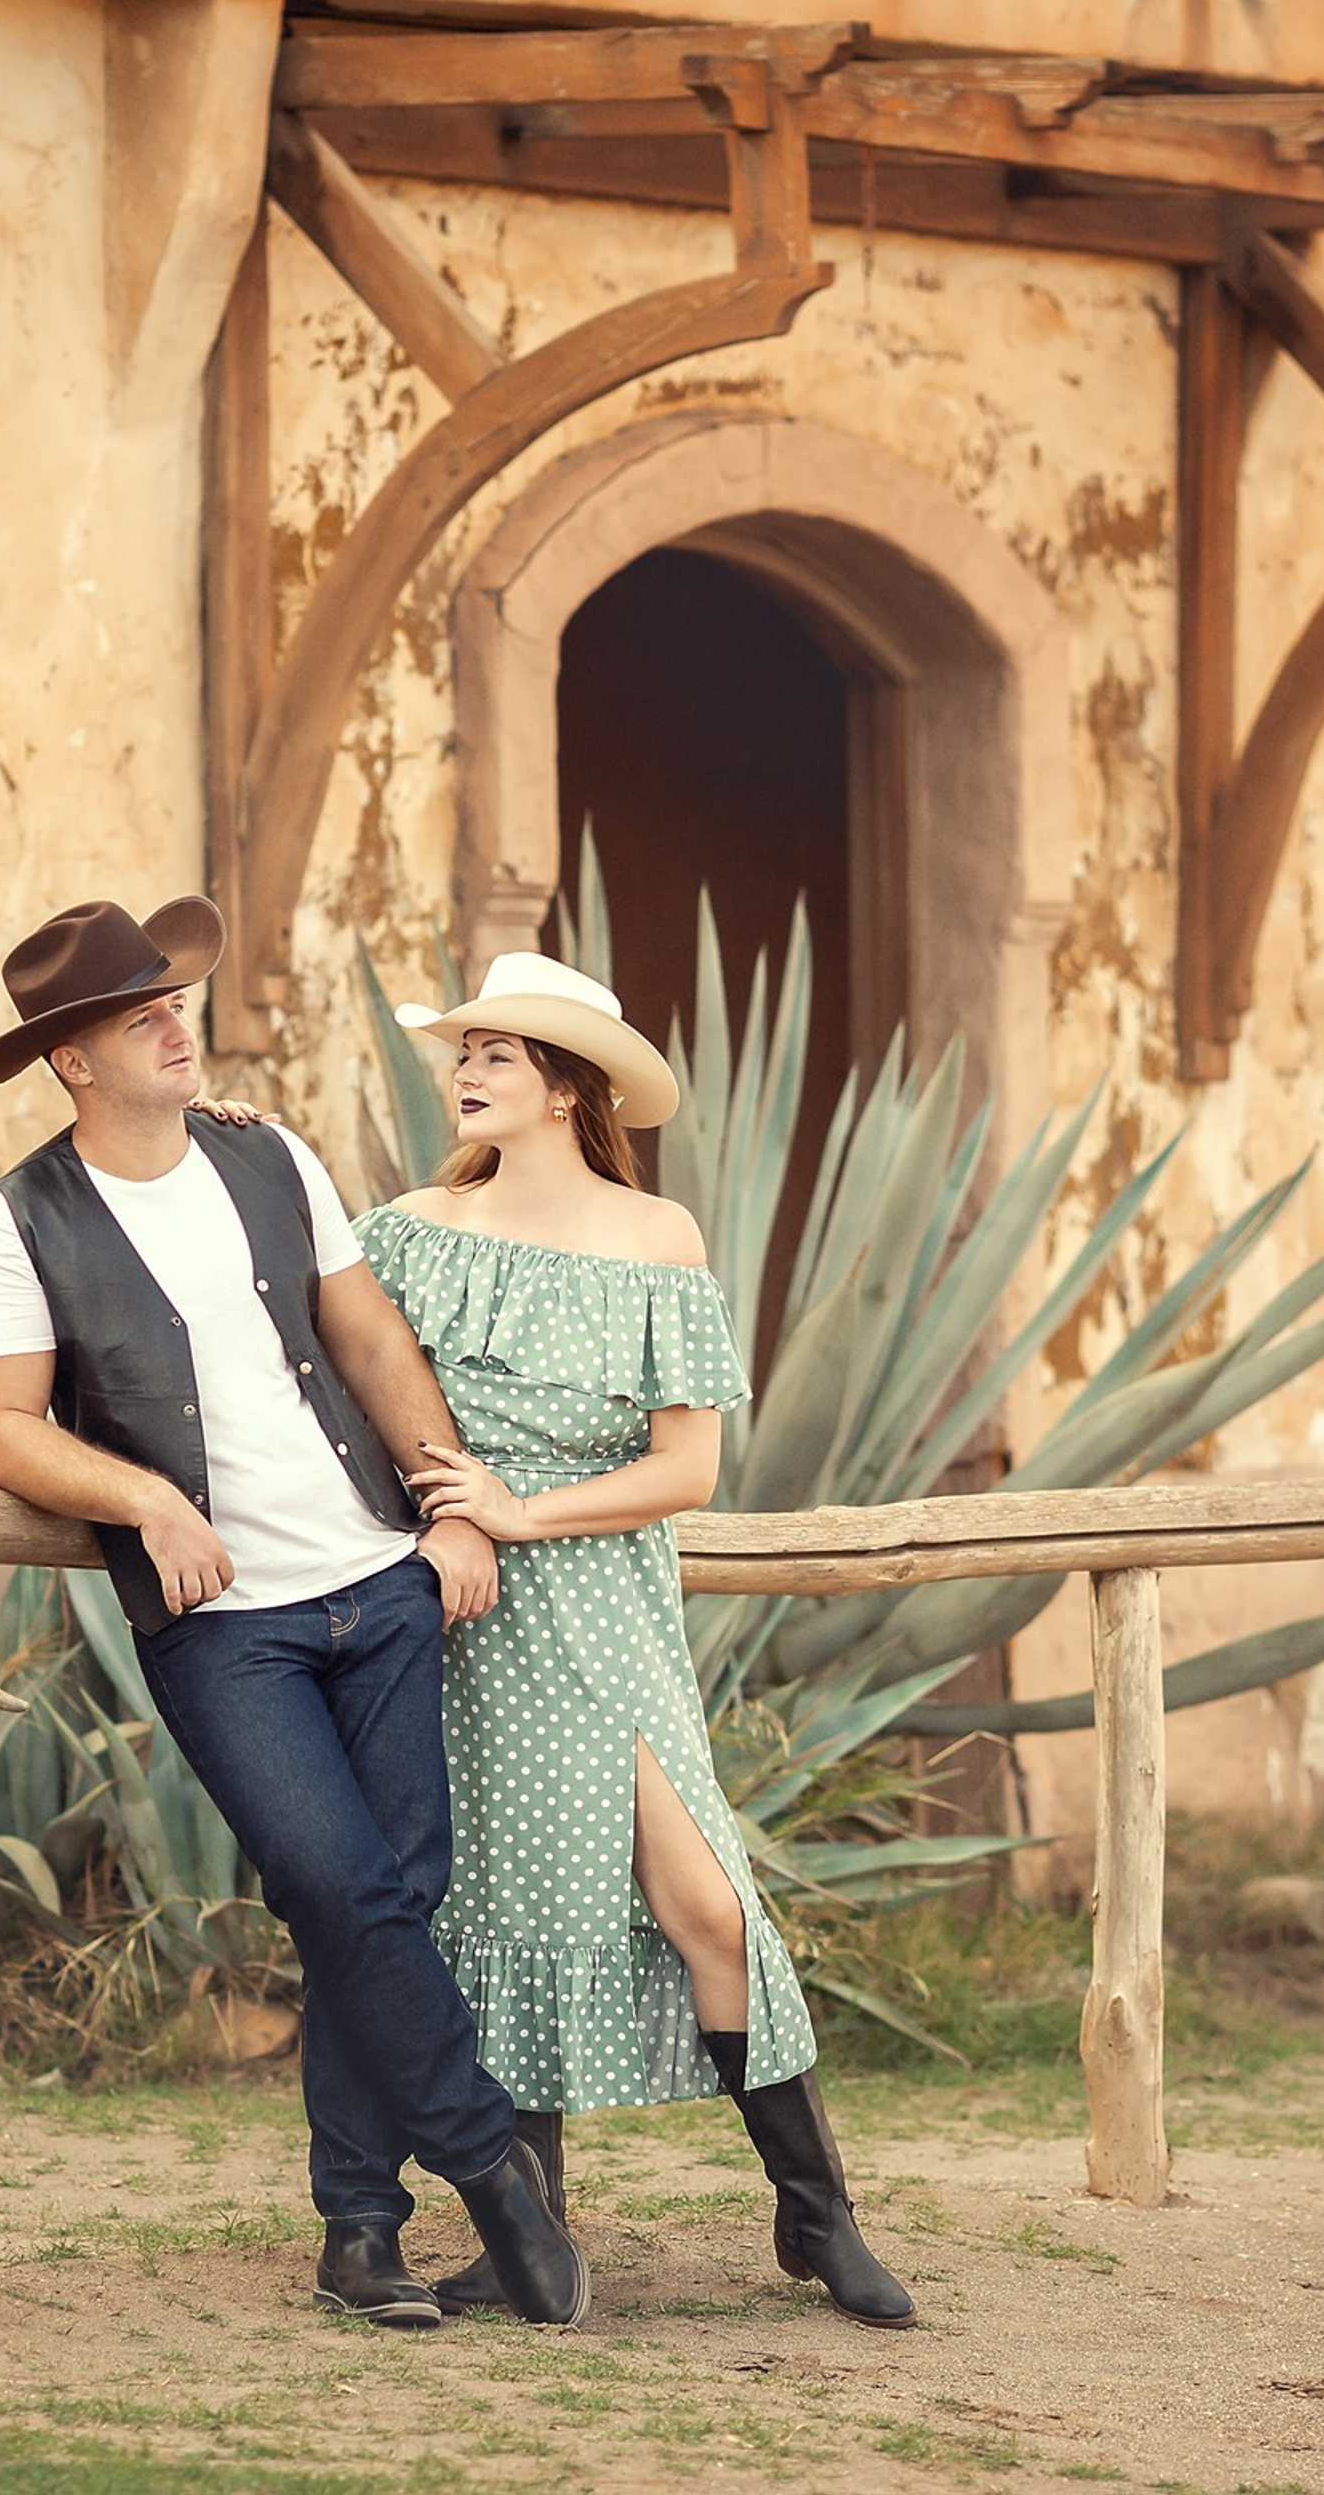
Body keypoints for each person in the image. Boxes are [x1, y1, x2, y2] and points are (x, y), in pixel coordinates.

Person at [0, 895, 588, 2332]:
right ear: (74, 1061)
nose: (178, 1020)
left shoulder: (267, 1154)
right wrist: (148, 1501)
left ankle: (359, 2234)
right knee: (346, 1890)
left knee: (388, 1902)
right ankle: (491, 2171)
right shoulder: (13, 1225)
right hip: (228, 1627)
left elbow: (365, 1334)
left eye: (175, 1000)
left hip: (378, 1579)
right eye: (139, 1015)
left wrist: (449, 1504)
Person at [353, 951, 918, 2331]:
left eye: (498, 1053)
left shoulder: (657, 1237)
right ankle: (521, 2233)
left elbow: (687, 1471)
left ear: (567, 1086)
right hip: (467, 1611)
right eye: (465, 1051)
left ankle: (813, 2216)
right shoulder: (409, 1231)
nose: (469, 1073)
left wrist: (518, 1509)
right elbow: (355, 1381)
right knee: (509, 1901)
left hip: (605, 1607)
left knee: (709, 1903)